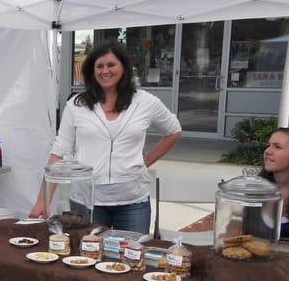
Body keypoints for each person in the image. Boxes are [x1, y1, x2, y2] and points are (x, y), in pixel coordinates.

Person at [30, 40, 181, 234]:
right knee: (85, 258)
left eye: (111, 65)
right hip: (86, 202)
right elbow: (59, 153)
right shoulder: (77, 105)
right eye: (99, 66)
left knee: (130, 259)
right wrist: (43, 201)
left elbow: (173, 131)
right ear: (92, 71)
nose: (105, 71)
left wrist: (146, 161)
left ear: (124, 67)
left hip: (132, 202)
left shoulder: (145, 102)